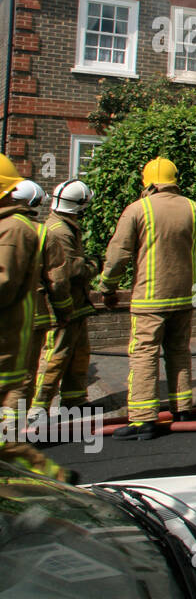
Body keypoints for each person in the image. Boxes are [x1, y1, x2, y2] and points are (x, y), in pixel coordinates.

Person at [95, 158, 196, 440]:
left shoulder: (138, 210)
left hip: (149, 300)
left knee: (144, 356)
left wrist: (107, 287)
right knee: (178, 351)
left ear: (149, 182)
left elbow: (118, 255)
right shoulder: (194, 208)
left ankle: (143, 420)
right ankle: (182, 409)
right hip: (184, 298)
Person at [0, 161, 70, 428]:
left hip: (23, 320)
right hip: (27, 321)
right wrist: (64, 312)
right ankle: (13, 439)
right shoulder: (40, 233)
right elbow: (58, 281)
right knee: (21, 380)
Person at [32, 180, 97, 413]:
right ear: (80, 206)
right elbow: (70, 270)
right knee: (55, 357)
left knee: (78, 354)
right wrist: (93, 265)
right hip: (64, 307)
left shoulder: (65, 226)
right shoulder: (59, 231)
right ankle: (38, 406)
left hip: (76, 305)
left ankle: (75, 401)